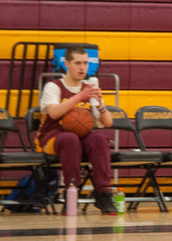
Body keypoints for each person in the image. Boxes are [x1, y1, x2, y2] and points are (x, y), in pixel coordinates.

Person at [35, 46, 117, 215]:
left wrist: (100, 104)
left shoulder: (90, 87)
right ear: (66, 64)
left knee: (99, 138)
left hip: (80, 138)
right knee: (70, 139)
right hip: (52, 137)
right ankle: (71, 192)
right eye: (78, 63)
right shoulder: (54, 86)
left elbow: (108, 122)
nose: (82, 67)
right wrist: (80, 96)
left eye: (85, 63)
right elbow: (54, 112)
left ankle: (103, 192)